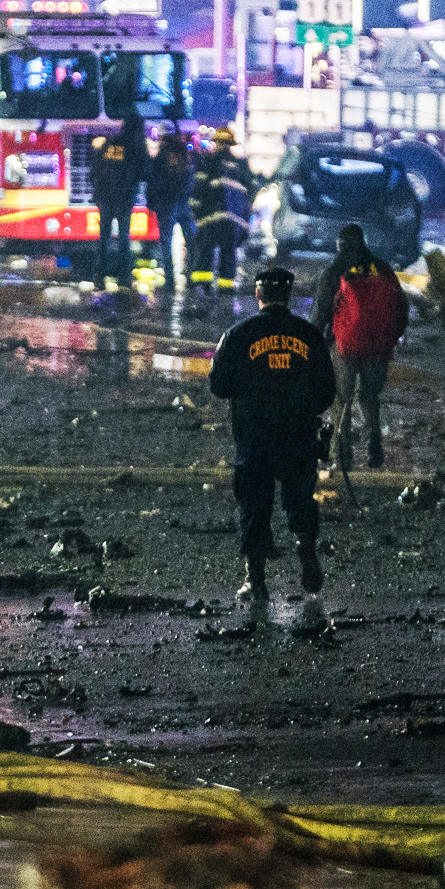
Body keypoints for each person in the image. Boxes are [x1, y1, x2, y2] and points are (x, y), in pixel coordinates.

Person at [210, 268, 337, 600]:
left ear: (258, 295)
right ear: (289, 295)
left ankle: (256, 580)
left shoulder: (238, 335)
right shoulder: (308, 335)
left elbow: (219, 386)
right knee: (299, 500)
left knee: (254, 505)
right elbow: (327, 392)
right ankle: (305, 546)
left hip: (254, 436)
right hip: (298, 435)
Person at [312, 225, 408, 471]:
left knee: (341, 400)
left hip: (344, 347)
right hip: (377, 347)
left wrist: (316, 346)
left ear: (340, 245)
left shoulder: (334, 273)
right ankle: (374, 446)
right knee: (370, 396)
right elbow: (401, 307)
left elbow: (320, 315)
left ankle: (343, 457)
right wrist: (390, 338)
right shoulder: (383, 269)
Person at [188, 127, 250, 294]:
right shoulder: (240, 165)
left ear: (217, 143)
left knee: (205, 251)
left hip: (210, 218)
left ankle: (203, 287)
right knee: (228, 255)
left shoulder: (208, 162)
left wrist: (194, 210)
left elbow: (198, 188)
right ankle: (226, 289)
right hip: (233, 222)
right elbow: (247, 193)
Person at [89, 111, 146, 287]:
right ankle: (124, 278)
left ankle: (99, 278)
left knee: (104, 238)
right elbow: (143, 173)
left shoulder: (107, 144)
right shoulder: (135, 147)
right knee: (123, 238)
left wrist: (99, 191)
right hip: (124, 198)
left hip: (105, 198)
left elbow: (93, 172)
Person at [146, 129, 194, 290]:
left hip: (166, 203)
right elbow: (191, 177)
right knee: (191, 240)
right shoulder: (185, 153)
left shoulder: (161, 155)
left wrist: (151, 203)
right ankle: (191, 277)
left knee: (166, 242)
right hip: (184, 202)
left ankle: (170, 281)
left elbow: (153, 180)